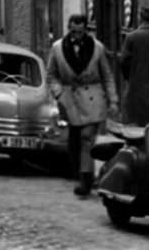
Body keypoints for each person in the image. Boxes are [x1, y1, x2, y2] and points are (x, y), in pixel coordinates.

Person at [47, 13, 118, 197]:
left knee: (87, 137)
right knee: (75, 139)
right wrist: (58, 93)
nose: (76, 35)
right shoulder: (57, 48)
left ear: (85, 29)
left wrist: (113, 100)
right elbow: (52, 75)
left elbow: (107, 75)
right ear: (68, 28)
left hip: (93, 97)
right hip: (69, 97)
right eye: (73, 31)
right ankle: (81, 173)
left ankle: (85, 179)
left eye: (80, 32)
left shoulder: (97, 48)